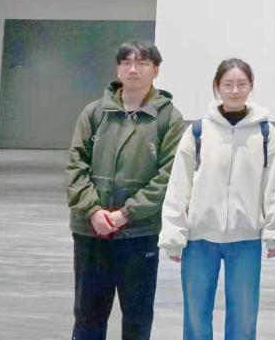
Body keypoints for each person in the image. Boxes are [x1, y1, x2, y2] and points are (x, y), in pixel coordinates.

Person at [159, 58, 275, 340]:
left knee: (244, 318)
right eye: (228, 84)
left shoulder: (265, 133)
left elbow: (274, 186)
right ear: (217, 86)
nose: (235, 90)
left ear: (251, 86)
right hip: (199, 239)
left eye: (241, 84)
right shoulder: (198, 132)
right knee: (196, 316)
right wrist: (173, 234)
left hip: (246, 239)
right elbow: (179, 185)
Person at [65, 40, 185, 340]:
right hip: (91, 232)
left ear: (155, 70)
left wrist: (126, 214)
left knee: (137, 316)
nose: (133, 69)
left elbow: (169, 176)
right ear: (118, 69)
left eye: (142, 63)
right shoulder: (94, 113)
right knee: (88, 314)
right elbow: (75, 166)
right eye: (127, 62)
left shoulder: (168, 118)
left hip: (139, 232)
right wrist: (94, 211)